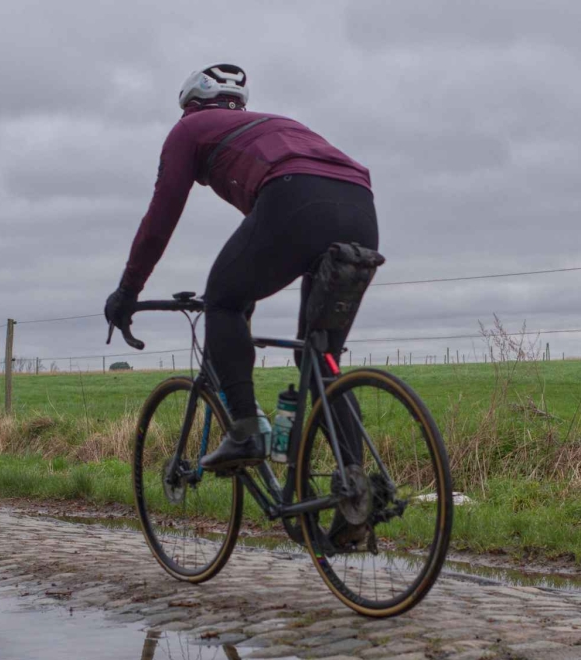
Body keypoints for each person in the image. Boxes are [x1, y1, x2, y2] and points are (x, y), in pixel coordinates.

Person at [104, 64, 377, 470]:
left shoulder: (189, 130)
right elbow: (272, 231)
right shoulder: (276, 127)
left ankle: (245, 430)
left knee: (223, 300)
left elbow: (159, 221)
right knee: (320, 361)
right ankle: (355, 491)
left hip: (295, 198)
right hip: (361, 206)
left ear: (190, 106)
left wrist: (128, 290)